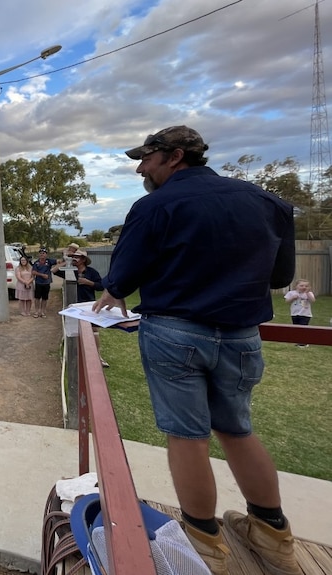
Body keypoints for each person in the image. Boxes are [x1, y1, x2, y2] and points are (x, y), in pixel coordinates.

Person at [92, 126, 297, 575]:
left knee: (187, 436)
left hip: (175, 333)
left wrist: (116, 291)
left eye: (146, 159)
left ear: (175, 156)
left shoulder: (154, 206)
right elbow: (281, 277)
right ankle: (273, 537)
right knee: (237, 429)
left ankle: (204, 544)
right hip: (242, 335)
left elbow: (122, 276)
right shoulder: (268, 203)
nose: (140, 167)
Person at [55, 249, 108, 367]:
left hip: (88, 305)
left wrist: (88, 282)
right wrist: (66, 261)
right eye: (73, 257)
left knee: (93, 331)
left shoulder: (92, 272)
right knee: (73, 331)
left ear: (84, 259)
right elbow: (54, 270)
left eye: (77, 257)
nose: (74, 259)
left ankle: (97, 356)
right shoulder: (70, 270)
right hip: (73, 306)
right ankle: (73, 356)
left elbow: (100, 286)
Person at [284, 280, 315, 347]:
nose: (304, 287)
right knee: (296, 327)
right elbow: (287, 301)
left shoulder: (309, 293)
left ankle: (304, 342)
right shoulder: (291, 293)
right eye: (301, 285)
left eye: (306, 286)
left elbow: (313, 300)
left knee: (303, 328)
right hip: (294, 314)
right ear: (296, 286)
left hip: (305, 314)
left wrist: (307, 293)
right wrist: (292, 298)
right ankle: (298, 341)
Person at [30, 249, 56, 317]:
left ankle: (43, 311)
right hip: (39, 282)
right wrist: (42, 275)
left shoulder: (49, 261)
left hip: (47, 283)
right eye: (41, 253)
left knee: (45, 298)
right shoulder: (36, 263)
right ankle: (36, 311)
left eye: (43, 253)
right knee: (37, 298)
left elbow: (58, 261)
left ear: (46, 254)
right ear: (39, 254)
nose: (42, 254)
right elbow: (33, 272)